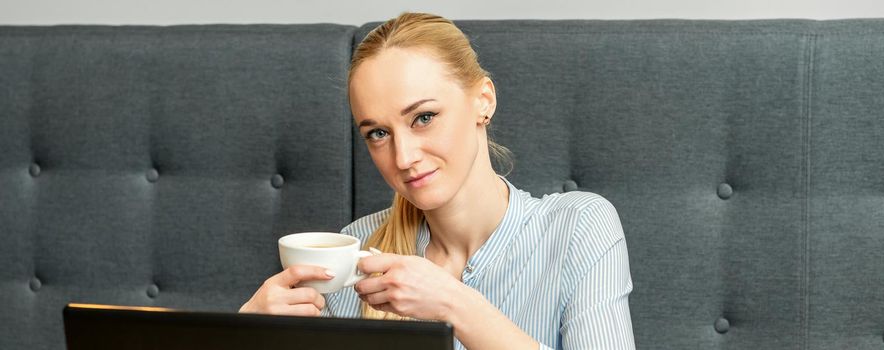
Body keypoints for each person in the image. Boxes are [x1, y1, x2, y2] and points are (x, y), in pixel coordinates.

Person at [240, 12, 635, 349]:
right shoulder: (358, 248)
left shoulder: (579, 225)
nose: (404, 157)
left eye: (423, 118)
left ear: (483, 101)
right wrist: (245, 334)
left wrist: (453, 305)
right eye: (378, 133)